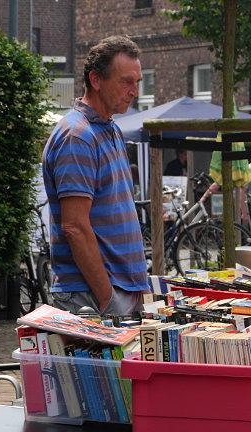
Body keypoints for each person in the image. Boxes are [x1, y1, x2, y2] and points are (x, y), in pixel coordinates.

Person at [43, 36, 149, 316]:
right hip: (92, 295)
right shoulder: (78, 136)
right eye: (126, 81)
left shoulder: (108, 128)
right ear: (96, 79)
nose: (134, 91)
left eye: (137, 82)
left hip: (115, 291)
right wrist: (107, 299)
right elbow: (74, 227)